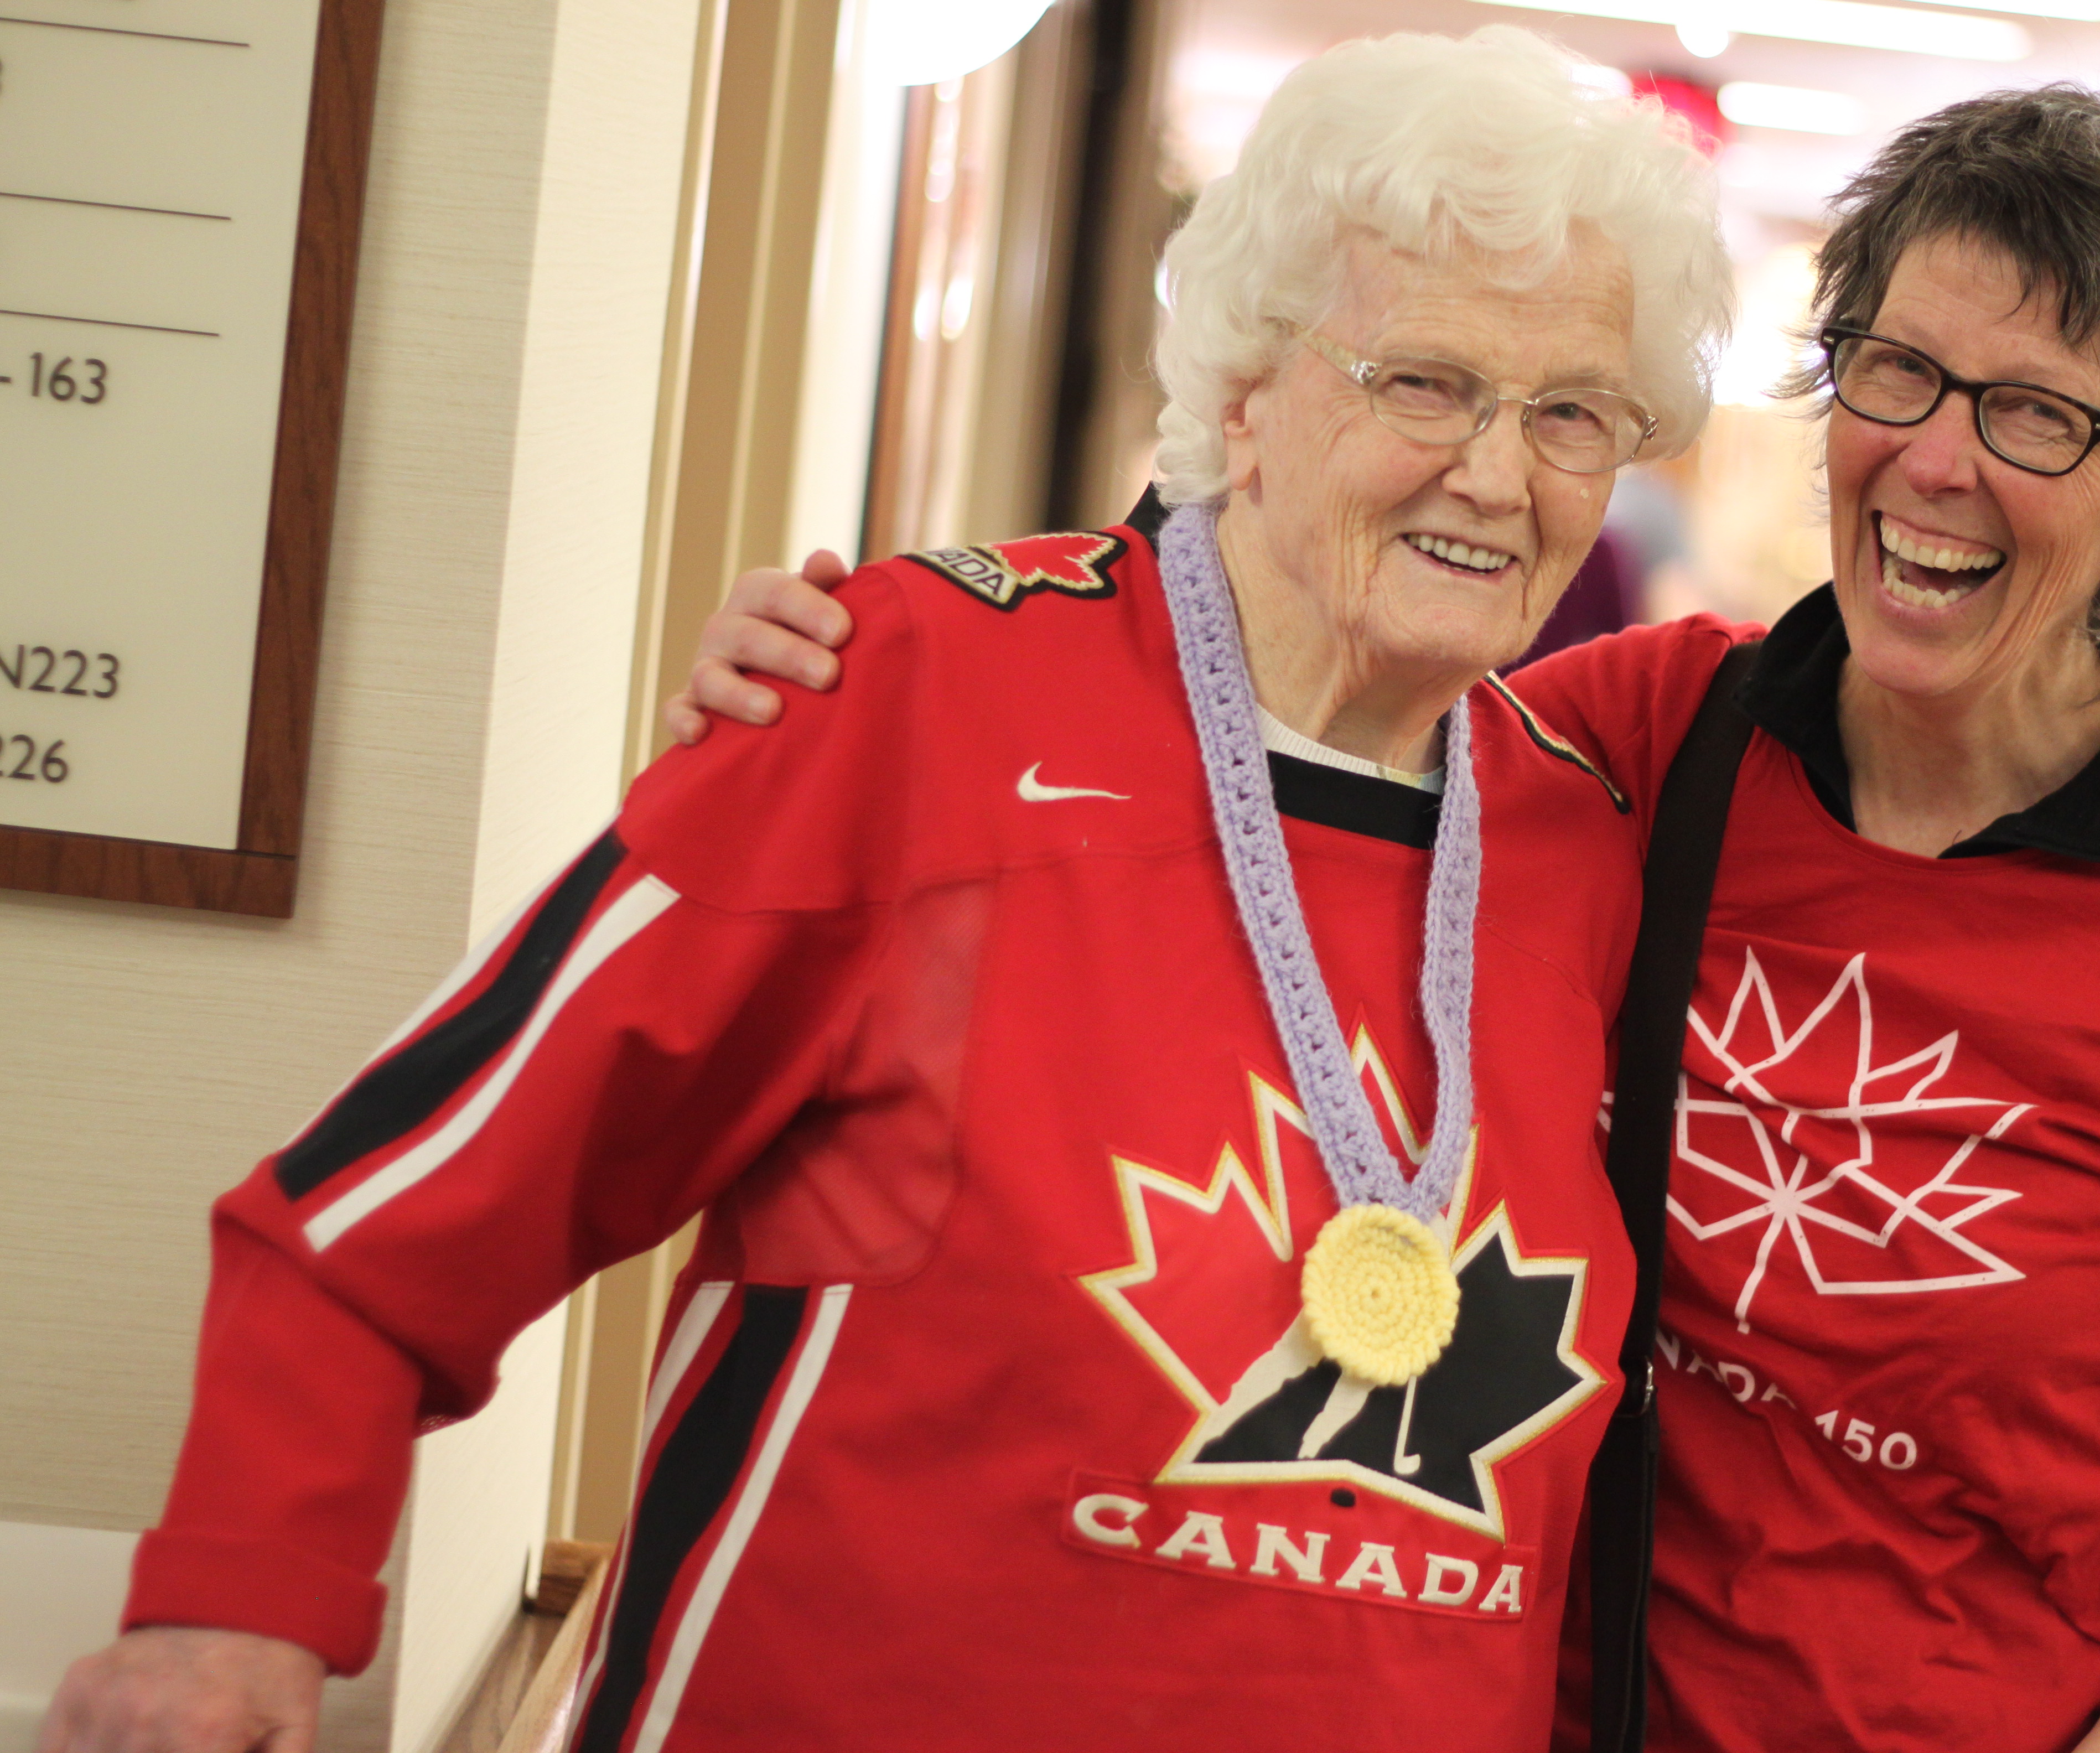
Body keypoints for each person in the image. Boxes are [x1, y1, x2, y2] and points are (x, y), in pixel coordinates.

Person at [42, 31, 1735, 1753]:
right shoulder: (915, 696)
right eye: (1425, 383)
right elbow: (395, 1208)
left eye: (1575, 415)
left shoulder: (1596, 846)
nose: (1502, 477)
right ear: (1245, 387)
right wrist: (235, 1606)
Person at [674, 82, 2100, 1753]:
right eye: (1899, 372)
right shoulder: (1642, 741)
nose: (1937, 461)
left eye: (2036, 415)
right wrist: (892, 664)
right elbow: (1270, 673)